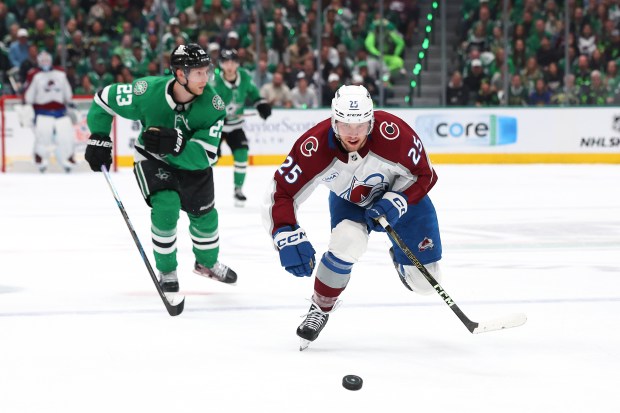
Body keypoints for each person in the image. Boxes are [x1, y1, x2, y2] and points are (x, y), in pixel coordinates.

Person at [262, 85, 442, 350]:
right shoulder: (313, 147)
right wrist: (285, 234)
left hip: (404, 200)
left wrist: (400, 199)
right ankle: (320, 307)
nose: (353, 133)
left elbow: (426, 174)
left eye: (361, 124)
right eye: (345, 124)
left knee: (426, 284)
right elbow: (282, 192)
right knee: (347, 241)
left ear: (371, 120)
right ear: (334, 120)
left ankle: (401, 258)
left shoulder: (394, 134)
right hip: (350, 202)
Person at [84, 43, 238, 293]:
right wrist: (99, 135)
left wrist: (178, 145)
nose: (205, 78)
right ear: (180, 74)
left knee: (205, 217)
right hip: (153, 159)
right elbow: (104, 99)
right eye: (198, 72)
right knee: (166, 206)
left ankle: (207, 264)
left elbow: (207, 154)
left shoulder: (213, 105)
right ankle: (167, 269)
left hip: (193, 165)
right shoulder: (146, 92)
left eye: (206, 71)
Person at [210, 48, 272, 206]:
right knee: (210, 159)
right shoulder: (215, 82)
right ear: (221, 64)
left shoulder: (244, 76)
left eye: (233, 62)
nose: (229, 66)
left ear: (237, 64)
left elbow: (253, 93)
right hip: (217, 125)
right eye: (226, 62)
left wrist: (261, 104)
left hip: (236, 126)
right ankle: (201, 189)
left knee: (242, 154)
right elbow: (207, 103)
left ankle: (238, 190)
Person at [23, 51, 76, 173]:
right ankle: (40, 159)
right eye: (43, 60)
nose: (45, 63)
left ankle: (67, 158)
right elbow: (29, 96)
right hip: (42, 112)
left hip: (60, 112)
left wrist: (70, 103)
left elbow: (67, 94)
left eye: (47, 60)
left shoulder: (60, 74)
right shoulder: (35, 76)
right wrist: (28, 108)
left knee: (66, 135)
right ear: (39, 61)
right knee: (43, 136)